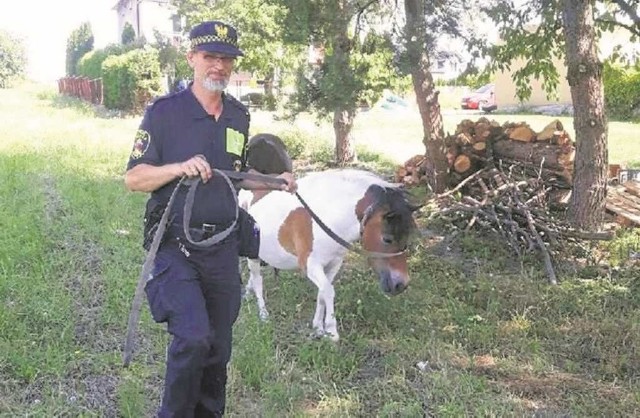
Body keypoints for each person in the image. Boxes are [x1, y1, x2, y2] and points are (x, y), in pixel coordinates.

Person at [124, 20, 296, 418]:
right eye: (210, 56)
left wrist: (275, 181)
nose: (218, 65)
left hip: (222, 245)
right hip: (175, 245)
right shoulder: (163, 113)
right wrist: (178, 167)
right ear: (192, 59)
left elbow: (234, 174)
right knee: (193, 337)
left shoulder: (238, 116)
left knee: (218, 348)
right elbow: (134, 178)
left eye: (226, 58)